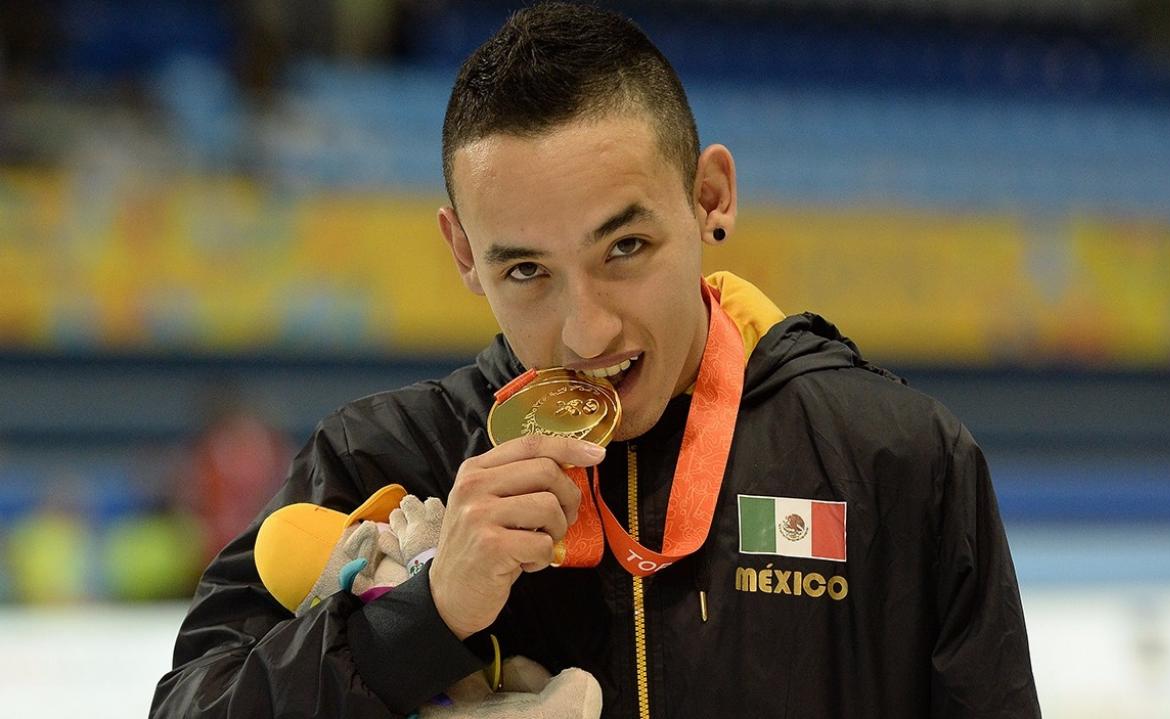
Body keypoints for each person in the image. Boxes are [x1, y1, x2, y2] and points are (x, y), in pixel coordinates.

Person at [151, 3, 1041, 717]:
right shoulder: (380, 462)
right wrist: (427, 616)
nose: (586, 333)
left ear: (709, 198)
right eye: (526, 269)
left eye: (624, 249)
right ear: (464, 254)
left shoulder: (899, 461)